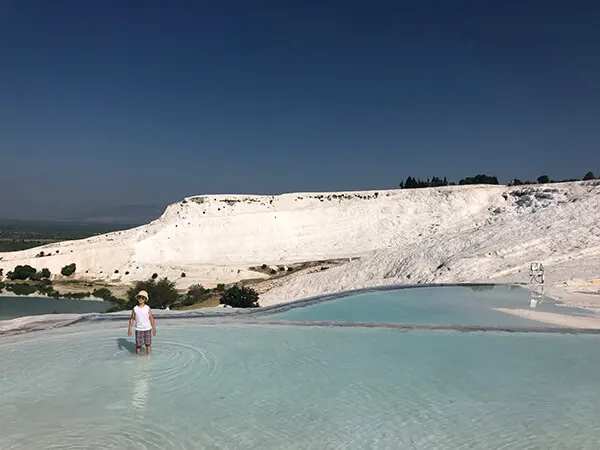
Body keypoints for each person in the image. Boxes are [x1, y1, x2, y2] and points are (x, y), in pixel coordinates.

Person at [127, 290, 156, 355]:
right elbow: (132, 319)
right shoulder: (135, 308)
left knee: (148, 344)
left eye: (143, 297)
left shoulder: (147, 308)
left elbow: (151, 318)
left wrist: (154, 329)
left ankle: (148, 359)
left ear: (145, 299)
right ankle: (138, 360)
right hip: (139, 329)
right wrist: (129, 329)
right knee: (138, 346)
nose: (141, 299)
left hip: (147, 328)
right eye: (139, 297)